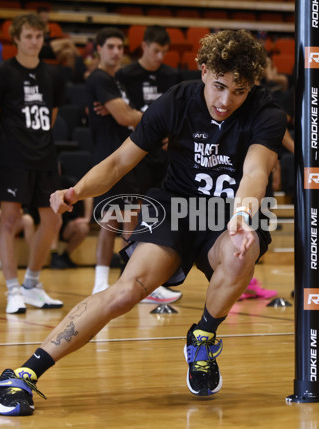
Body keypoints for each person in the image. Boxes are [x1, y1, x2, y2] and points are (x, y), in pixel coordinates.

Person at [0, 29, 287, 416]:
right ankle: (24, 373)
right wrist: (75, 192)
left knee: (239, 253)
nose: (226, 100)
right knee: (126, 291)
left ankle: (203, 335)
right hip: (177, 208)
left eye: (239, 91)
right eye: (219, 86)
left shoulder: (267, 113)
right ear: (203, 70)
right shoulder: (176, 101)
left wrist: (243, 216)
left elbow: (255, 171)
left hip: (229, 214)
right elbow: (119, 162)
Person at [0, 13, 65, 314]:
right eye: (29, 36)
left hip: (44, 156)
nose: (34, 42)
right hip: (12, 158)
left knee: (53, 219)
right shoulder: (2, 73)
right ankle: (12, 289)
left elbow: (52, 117)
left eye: (39, 37)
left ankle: (31, 284)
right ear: (16, 38)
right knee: (10, 220)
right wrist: (13, 143)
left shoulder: (52, 75)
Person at [115, 25, 183, 304]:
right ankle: (129, 279)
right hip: (137, 150)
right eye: (156, 50)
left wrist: (173, 135)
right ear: (143, 46)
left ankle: (149, 280)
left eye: (164, 52)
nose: (159, 56)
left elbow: (180, 113)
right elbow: (122, 111)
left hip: (164, 155)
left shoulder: (170, 76)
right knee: (131, 213)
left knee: (156, 215)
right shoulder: (126, 75)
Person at [84, 27, 143, 297]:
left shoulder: (117, 80)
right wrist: (149, 117)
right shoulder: (99, 78)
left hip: (123, 156)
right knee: (113, 220)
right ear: (98, 48)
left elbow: (127, 113)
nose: (117, 52)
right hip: (110, 156)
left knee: (126, 219)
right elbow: (124, 117)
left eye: (120, 47)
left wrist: (128, 112)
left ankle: (125, 281)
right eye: (110, 46)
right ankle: (106, 282)